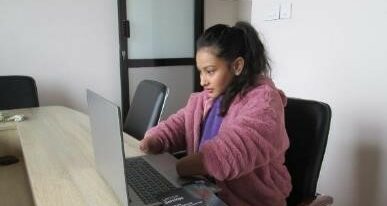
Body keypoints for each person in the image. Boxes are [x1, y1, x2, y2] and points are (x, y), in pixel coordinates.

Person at [139, 21, 292, 206]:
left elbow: (234, 149)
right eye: (200, 72)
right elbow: (181, 123)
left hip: (248, 201)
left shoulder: (265, 102)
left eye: (210, 71)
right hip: (204, 193)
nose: (203, 81)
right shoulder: (206, 98)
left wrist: (182, 166)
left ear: (236, 66)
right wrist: (156, 139)